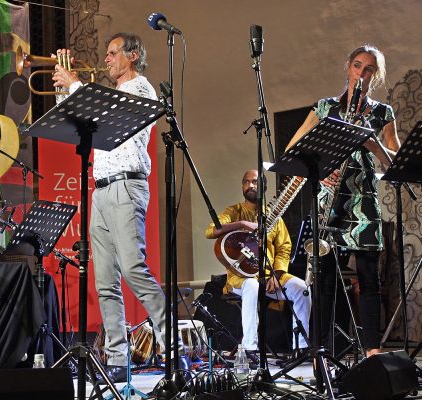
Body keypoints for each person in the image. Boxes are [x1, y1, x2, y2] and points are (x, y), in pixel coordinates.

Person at [53, 33, 184, 383]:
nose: (107, 59)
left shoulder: (141, 89)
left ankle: (172, 345)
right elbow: (73, 119)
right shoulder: (106, 92)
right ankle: (115, 358)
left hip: (127, 184)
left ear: (133, 55)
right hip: (100, 190)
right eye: (107, 54)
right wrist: (64, 83)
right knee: (104, 280)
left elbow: (113, 113)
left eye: (113, 53)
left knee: (133, 268)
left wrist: (78, 83)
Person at [286, 44, 400, 357]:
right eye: (357, 66)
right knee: (323, 279)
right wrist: (318, 173)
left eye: (369, 70)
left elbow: (395, 163)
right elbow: (293, 150)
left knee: (368, 277)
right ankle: (322, 350)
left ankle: (372, 352)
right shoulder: (324, 108)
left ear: (375, 77)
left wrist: (374, 145)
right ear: (348, 67)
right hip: (328, 204)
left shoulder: (382, 113)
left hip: (362, 202)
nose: (361, 74)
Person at [205, 170, 312, 362]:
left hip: (270, 275)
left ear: (264, 186)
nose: (250, 185)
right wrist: (243, 224)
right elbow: (211, 231)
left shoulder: (274, 217)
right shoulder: (233, 212)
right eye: (246, 182)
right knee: (252, 286)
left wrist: (278, 273)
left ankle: (301, 348)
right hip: (242, 277)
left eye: (255, 182)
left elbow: (284, 248)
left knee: (302, 289)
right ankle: (250, 349)